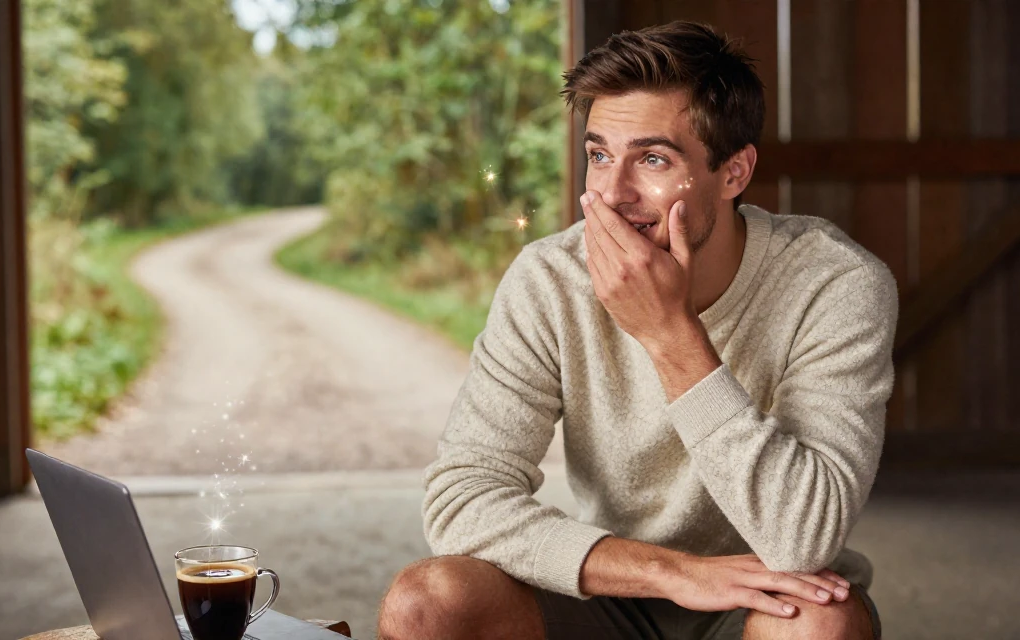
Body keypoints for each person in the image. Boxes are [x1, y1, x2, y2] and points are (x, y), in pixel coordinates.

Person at [379, 20, 893, 640]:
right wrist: (670, 573)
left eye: (652, 159)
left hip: (765, 593)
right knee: (425, 604)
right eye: (599, 156)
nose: (612, 193)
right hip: (614, 589)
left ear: (734, 172)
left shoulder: (835, 283)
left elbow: (802, 538)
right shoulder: (549, 279)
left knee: (818, 625)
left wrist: (670, 334)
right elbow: (463, 500)